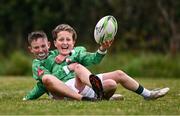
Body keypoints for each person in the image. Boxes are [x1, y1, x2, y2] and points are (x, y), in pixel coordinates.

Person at [42, 24, 169, 101]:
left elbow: (93, 59)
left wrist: (103, 48)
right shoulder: (50, 57)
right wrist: (68, 68)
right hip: (69, 89)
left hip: (86, 85)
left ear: (73, 42)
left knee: (115, 79)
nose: (65, 43)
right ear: (55, 43)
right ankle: (99, 92)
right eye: (61, 40)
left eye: (68, 39)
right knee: (77, 67)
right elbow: (48, 80)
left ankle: (148, 94)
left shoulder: (78, 52)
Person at [23, 30, 111, 101]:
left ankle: (97, 92)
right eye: (36, 48)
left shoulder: (55, 53)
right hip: (59, 92)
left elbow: (79, 49)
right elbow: (43, 84)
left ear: (49, 45)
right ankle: (82, 98)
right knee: (46, 78)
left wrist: (69, 53)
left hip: (75, 84)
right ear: (31, 49)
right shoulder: (37, 64)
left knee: (113, 81)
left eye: (43, 46)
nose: (41, 50)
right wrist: (29, 97)